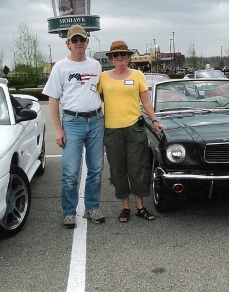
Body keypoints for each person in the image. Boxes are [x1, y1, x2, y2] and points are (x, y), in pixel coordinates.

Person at [42, 24, 105, 228]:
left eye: (82, 40)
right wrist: (58, 129)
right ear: (68, 44)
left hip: (96, 121)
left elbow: (101, 92)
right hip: (72, 123)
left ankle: (92, 207)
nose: (79, 43)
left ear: (87, 42)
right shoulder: (60, 67)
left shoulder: (95, 66)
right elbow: (53, 99)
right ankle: (69, 212)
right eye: (74, 40)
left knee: (96, 169)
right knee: (70, 172)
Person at [97, 40, 164, 223]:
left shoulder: (138, 75)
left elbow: (146, 101)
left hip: (135, 128)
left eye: (123, 54)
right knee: (118, 170)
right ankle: (125, 207)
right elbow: (97, 99)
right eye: (116, 55)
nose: (120, 57)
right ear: (111, 58)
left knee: (138, 169)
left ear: (128, 56)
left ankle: (140, 207)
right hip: (112, 130)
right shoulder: (102, 77)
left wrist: (154, 120)